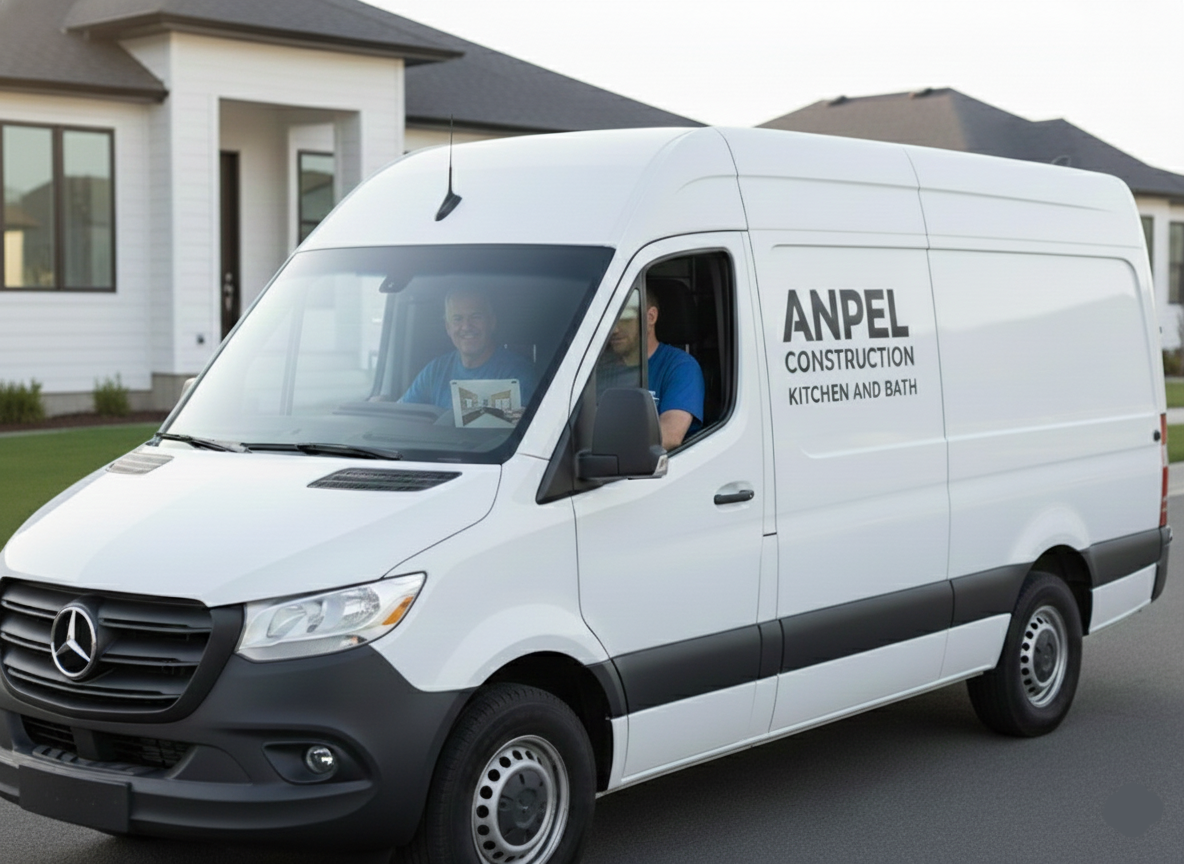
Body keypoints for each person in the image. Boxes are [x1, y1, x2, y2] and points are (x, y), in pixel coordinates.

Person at [597, 290, 704, 449]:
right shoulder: (601, 369)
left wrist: (606, 448)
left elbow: (670, 435)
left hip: (663, 469)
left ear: (650, 317)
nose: (614, 330)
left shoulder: (680, 366)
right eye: (611, 320)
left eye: (625, 318)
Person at [400, 290, 535, 410]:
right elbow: (404, 415)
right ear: (448, 327)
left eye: (476, 317)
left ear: (492, 322)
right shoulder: (435, 371)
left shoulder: (517, 374)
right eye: (457, 319)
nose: (466, 327)